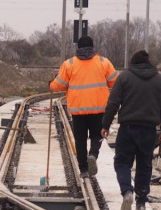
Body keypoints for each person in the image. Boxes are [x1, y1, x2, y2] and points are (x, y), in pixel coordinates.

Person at [101, 50, 161, 210]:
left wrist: (105, 124)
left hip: (128, 128)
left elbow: (113, 103)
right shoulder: (160, 79)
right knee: (145, 165)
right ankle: (141, 203)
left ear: (133, 63)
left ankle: (127, 191)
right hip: (149, 130)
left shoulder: (124, 77)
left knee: (122, 163)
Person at [49, 35, 118, 178]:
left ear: (78, 48)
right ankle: (93, 154)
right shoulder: (103, 62)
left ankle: (84, 170)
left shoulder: (69, 63)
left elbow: (59, 84)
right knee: (97, 135)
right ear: (93, 48)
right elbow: (114, 82)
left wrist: (51, 84)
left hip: (78, 110)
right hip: (99, 109)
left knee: (80, 140)